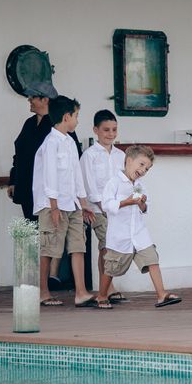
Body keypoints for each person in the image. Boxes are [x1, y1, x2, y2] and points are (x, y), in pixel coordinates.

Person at [98, 145, 182, 310]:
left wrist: (141, 203)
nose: (143, 170)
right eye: (141, 165)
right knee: (111, 267)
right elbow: (106, 205)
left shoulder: (139, 185)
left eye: (147, 168)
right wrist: (126, 202)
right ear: (129, 161)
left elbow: (145, 208)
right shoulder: (114, 182)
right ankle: (101, 295)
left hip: (139, 233)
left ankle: (161, 294)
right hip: (120, 236)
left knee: (152, 259)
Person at [32, 96, 95, 307]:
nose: (77, 120)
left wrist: (83, 202)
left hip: (73, 204)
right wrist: (54, 206)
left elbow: (76, 174)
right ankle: (43, 292)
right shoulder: (50, 143)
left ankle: (81, 292)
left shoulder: (70, 141)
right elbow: (50, 176)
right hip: (53, 205)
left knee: (78, 245)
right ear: (66, 116)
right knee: (49, 247)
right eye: (76, 116)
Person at [80, 110, 126, 304]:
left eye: (114, 130)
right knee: (106, 247)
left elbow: (124, 181)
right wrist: (104, 206)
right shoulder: (89, 156)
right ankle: (105, 289)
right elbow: (89, 185)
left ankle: (107, 286)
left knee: (111, 248)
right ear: (95, 130)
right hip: (97, 210)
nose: (110, 134)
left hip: (117, 210)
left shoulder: (121, 155)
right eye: (106, 130)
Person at [8, 82, 58, 221]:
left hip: (47, 194)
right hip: (26, 189)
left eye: (33, 97)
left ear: (45, 99)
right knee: (32, 236)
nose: (29, 100)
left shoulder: (58, 124)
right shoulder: (29, 123)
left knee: (49, 237)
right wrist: (13, 180)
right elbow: (19, 154)